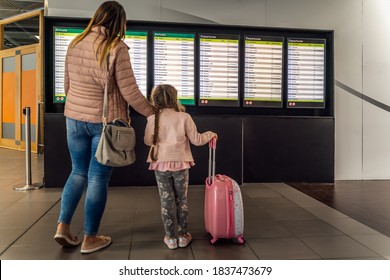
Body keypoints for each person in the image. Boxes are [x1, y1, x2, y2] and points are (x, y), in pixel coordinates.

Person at [54, 1, 155, 254]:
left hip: (73, 119)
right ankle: (90, 238)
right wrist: (154, 113)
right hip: (104, 123)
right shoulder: (115, 48)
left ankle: (62, 227)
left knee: (77, 172)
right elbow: (130, 92)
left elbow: (67, 84)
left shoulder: (75, 42)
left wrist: (77, 108)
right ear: (119, 23)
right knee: (97, 177)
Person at [144, 84, 217, 249]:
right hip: (181, 164)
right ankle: (183, 236)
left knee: (166, 201)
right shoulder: (184, 117)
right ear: (174, 98)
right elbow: (197, 140)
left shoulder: (151, 119)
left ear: (155, 100)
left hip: (160, 165)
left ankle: (170, 238)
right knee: (181, 199)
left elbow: (148, 141)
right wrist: (211, 134)